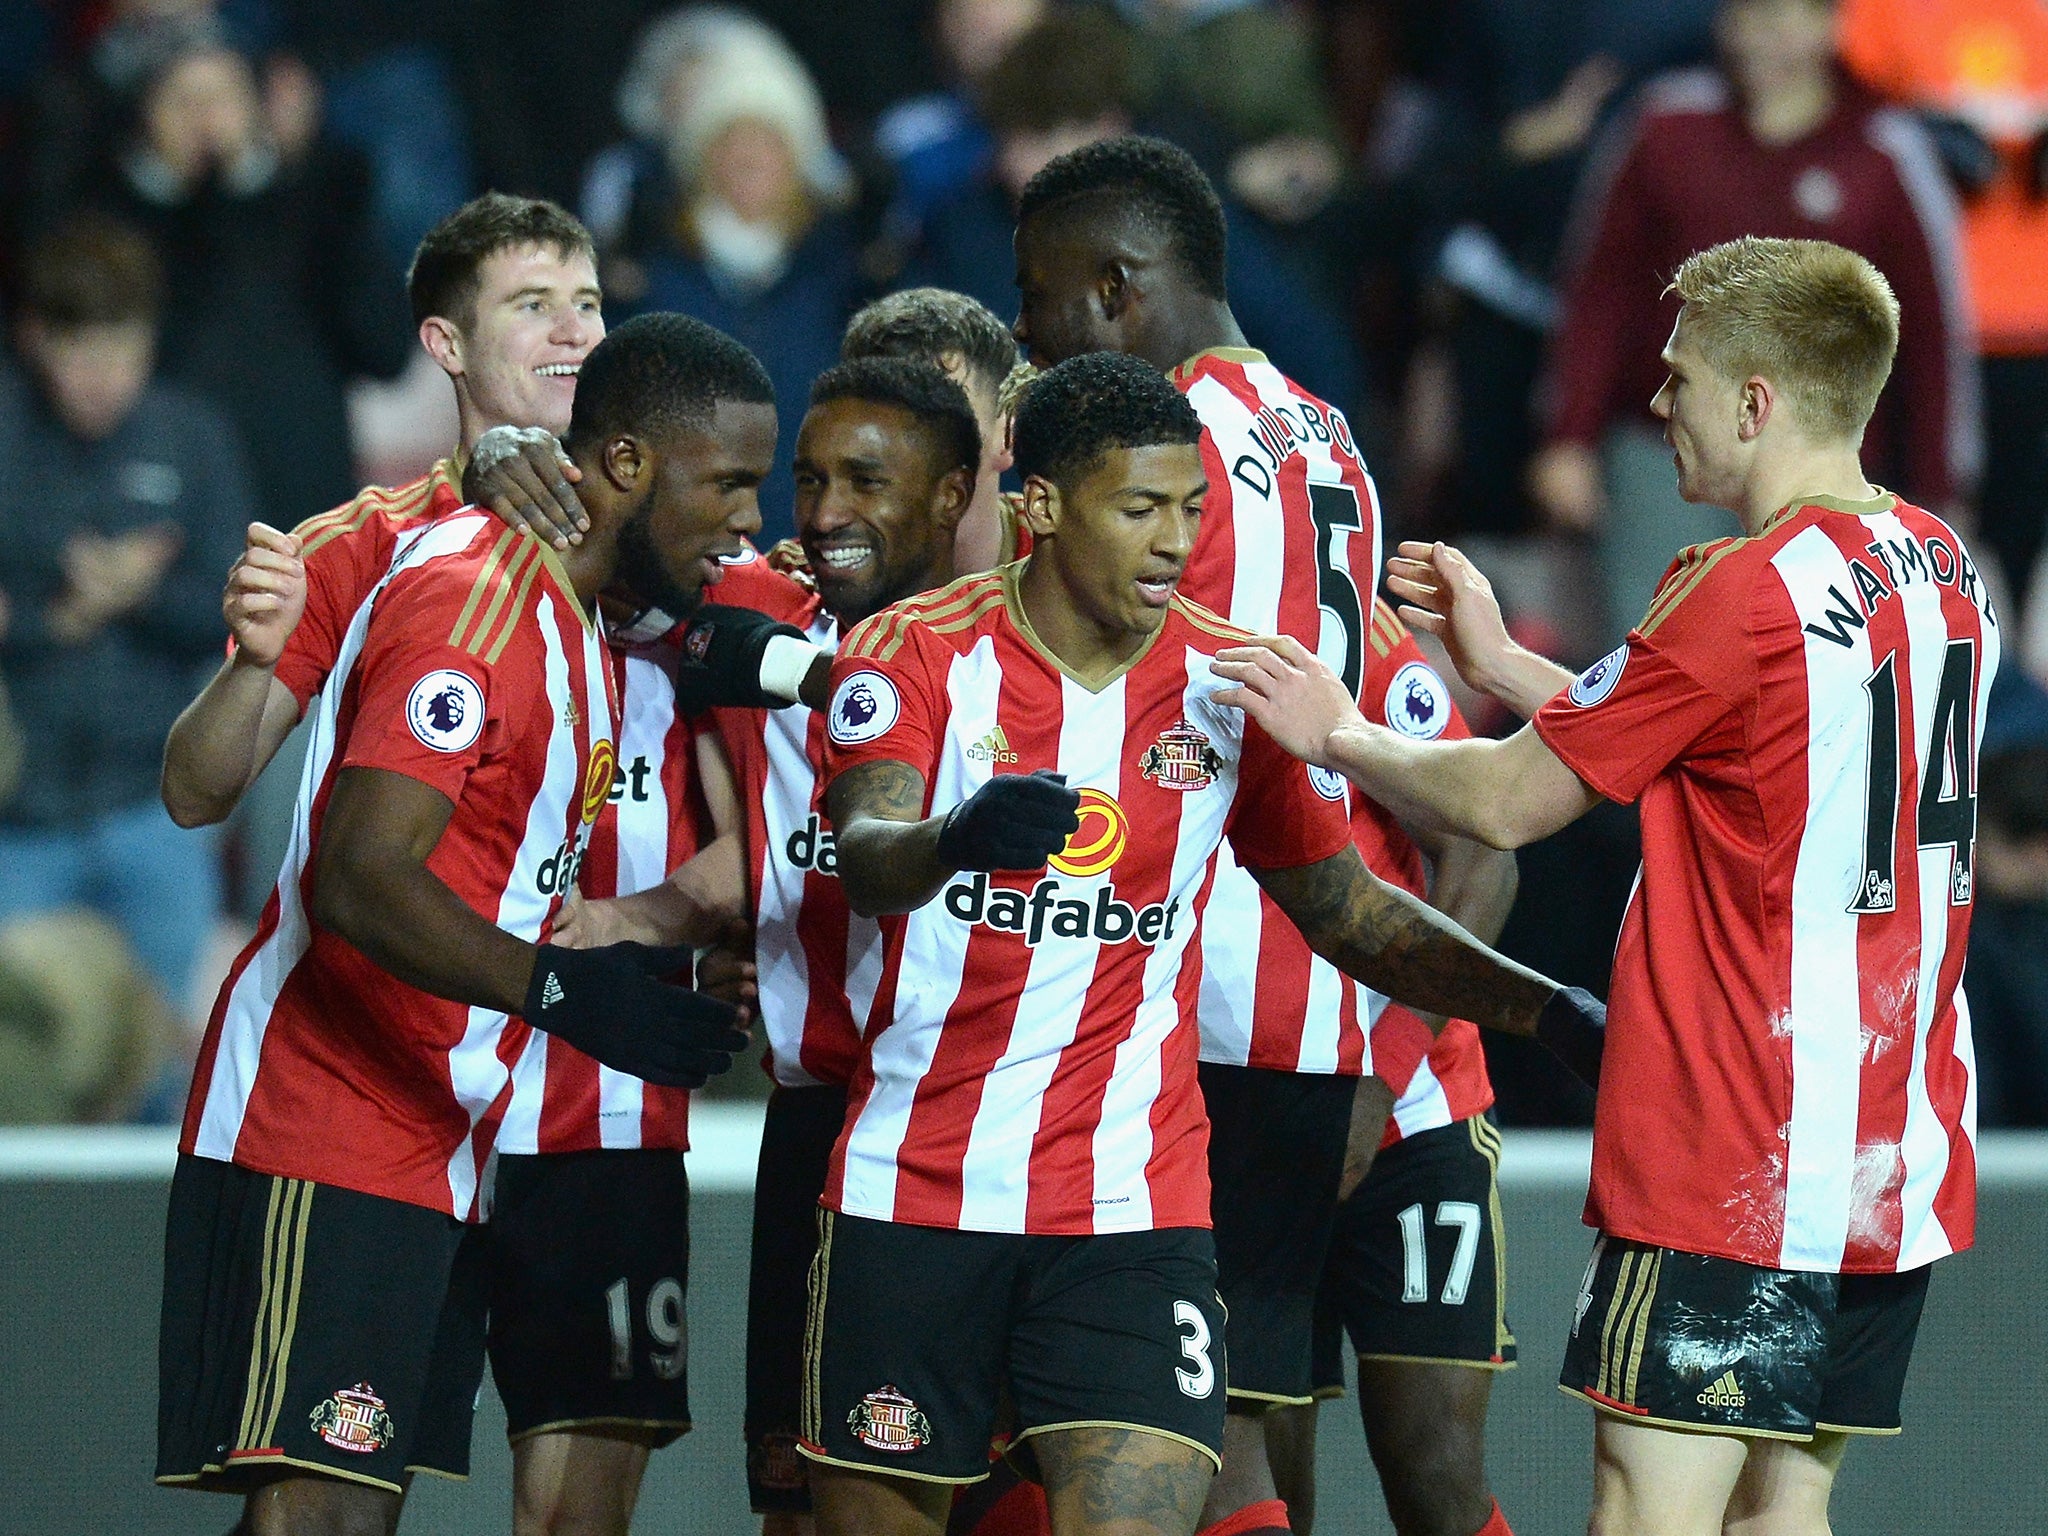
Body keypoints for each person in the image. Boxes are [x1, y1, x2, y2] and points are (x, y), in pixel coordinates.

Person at [1214, 235, 1995, 1536]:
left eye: (1680, 376)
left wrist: (1335, 730)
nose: (1656, 402)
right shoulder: (1938, 566)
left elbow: (1511, 805)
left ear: (1757, 401)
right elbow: (1715, 744)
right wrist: (1510, 666)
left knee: (1650, 1516)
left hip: (1734, 1150)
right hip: (1889, 1153)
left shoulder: (1737, 590)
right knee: (1782, 1514)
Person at [800, 351, 1600, 1536]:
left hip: (1132, 1209)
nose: (1173, 541)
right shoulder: (912, 653)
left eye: (1189, 508)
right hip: (914, 1198)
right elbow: (868, 853)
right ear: (1040, 510)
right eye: (1138, 509)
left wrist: (1540, 1011)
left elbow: (1348, 911)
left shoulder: (1225, 686)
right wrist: (950, 840)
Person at [157, 196, 802, 1536]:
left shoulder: (680, 564)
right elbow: (211, 793)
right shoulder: (413, 556)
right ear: (444, 344)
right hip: (390, 1067)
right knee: (325, 1498)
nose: (572, 327)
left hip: (572, 1100)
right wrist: (266, 659)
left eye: (589, 303)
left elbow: (802, 808)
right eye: (533, 305)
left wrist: (671, 913)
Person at [1011, 135, 1521, 1536]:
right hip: (1310, 998)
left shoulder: (1166, 450)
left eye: (1039, 295)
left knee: (1189, 1432)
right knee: (1233, 1420)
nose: (1024, 328)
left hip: (1223, 1000)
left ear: (1117, 288)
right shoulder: (1318, 424)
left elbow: (1178, 705)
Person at [1533, 0, 1977, 639]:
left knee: (1806, 661)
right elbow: (1598, 288)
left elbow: (1933, 337)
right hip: (1665, 443)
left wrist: (1941, 484)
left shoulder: (1884, 150)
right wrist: (1567, 435)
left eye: (1781, 19)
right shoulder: (1666, 124)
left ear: (1830, 26)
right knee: (1654, 648)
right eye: (1745, 17)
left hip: (1818, 456)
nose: (1760, 39)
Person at [0, 211, 253, 1028]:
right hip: (17, 817)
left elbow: (247, 614)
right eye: (81, 349)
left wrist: (137, 594)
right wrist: (56, 617)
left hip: (158, 809)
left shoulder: (192, 437)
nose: (104, 374)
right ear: (37, 338)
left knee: (164, 1076)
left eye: (124, 347)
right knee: (20, 1075)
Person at [840, 287, 1020, 577]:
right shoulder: (793, 589)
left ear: (1008, 436)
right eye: (882, 421)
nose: (908, 447)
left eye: (943, 414)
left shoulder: (1084, 569)